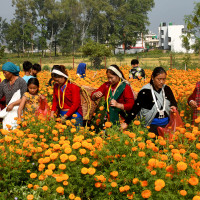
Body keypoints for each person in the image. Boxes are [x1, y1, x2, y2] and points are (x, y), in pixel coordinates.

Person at [121, 67, 177, 136]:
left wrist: (173, 106)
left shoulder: (166, 89)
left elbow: (173, 102)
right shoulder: (145, 91)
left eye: (164, 79)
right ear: (152, 78)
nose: (161, 82)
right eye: (159, 79)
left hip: (167, 125)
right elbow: (136, 107)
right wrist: (126, 122)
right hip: (150, 125)